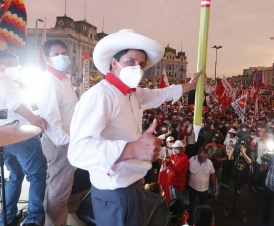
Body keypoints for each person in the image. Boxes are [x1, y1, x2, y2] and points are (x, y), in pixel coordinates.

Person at [67, 29, 201, 226]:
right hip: (115, 192)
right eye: (130, 61)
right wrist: (132, 149)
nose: (136, 68)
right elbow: (77, 151)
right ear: (114, 63)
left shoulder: (132, 94)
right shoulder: (99, 96)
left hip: (132, 185)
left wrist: (188, 87)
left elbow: (158, 95)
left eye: (141, 65)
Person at [0, 52, 47, 226]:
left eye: (16, 64)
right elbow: (13, 103)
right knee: (37, 175)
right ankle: (34, 217)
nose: (14, 68)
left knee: (15, 175)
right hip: (18, 134)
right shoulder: (4, 80)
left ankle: (7, 215)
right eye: (9, 63)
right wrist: (34, 118)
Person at [35, 40, 78, 226]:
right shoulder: (50, 82)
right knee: (59, 189)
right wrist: (68, 144)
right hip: (60, 143)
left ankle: (54, 221)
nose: (61, 57)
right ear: (46, 58)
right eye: (55, 54)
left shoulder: (63, 79)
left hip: (67, 140)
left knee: (60, 187)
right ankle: (54, 223)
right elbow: (51, 121)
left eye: (64, 53)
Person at [223, 140, 252, 224]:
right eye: (241, 145)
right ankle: (228, 208)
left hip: (244, 180)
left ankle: (244, 213)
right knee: (230, 195)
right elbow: (230, 158)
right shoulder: (236, 154)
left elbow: (249, 162)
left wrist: (244, 153)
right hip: (234, 178)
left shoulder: (248, 154)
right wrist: (233, 149)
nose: (242, 147)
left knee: (244, 198)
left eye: (244, 146)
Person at [187, 147, 216, 216]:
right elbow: (188, 172)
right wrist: (186, 182)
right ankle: (189, 214)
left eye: (205, 155)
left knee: (204, 205)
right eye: (202, 155)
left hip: (204, 189)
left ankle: (203, 218)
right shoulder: (192, 160)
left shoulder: (209, 163)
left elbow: (213, 175)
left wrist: (214, 187)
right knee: (190, 202)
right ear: (198, 154)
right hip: (192, 187)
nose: (203, 157)